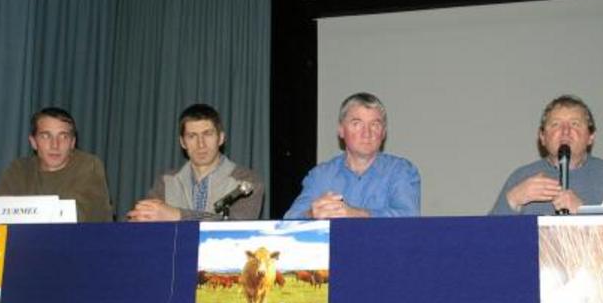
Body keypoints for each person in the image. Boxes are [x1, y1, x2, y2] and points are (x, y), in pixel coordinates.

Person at [490, 95, 603, 215]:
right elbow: (486, 240)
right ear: (542, 137)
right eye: (555, 124)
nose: (565, 131)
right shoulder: (522, 177)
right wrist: (513, 199)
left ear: (590, 137)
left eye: (575, 124)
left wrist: (585, 212)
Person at [284, 92, 420, 219]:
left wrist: (355, 214)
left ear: (383, 133)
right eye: (357, 124)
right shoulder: (321, 175)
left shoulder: (401, 171)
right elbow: (289, 221)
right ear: (341, 131)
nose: (367, 133)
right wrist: (311, 214)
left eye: (375, 125)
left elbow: (408, 217)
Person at [127, 104, 263, 221]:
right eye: (192, 136)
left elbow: (239, 227)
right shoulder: (166, 181)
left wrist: (178, 215)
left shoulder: (247, 181)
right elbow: (141, 220)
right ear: (182, 142)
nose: (201, 144)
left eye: (207, 134)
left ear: (221, 138)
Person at [0, 107, 113, 222]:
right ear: (33, 142)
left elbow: (84, 217)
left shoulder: (89, 165)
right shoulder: (18, 170)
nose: (55, 145)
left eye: (63, 137)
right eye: (46, 136)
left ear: (72, 143)